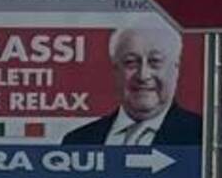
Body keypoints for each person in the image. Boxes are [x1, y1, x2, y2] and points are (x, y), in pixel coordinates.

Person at [61, 20, 202, 147]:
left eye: (155, 62)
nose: (143, 75)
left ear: (175, 69)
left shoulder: (202, 136)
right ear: (116, 70)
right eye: (131, 62)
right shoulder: (78, 141)